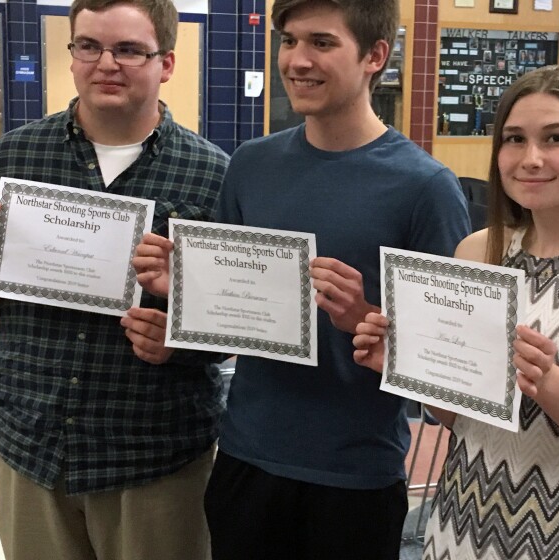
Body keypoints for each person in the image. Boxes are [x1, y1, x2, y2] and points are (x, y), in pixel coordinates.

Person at [132, 0, 470, 558]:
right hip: (246, 458)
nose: (297, 59)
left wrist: (360, 317)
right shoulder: (251, 165)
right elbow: (227, 325)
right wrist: (185, 289)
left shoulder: (426, 189)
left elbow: (447, 365)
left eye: (322, 42)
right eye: (288, 40)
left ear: (374, 56)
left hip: (354, 476)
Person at [0, 0, 229, 558]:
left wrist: (179, 342)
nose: (106, 63)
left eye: (128, 49)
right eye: (88, 46)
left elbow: (232, 327)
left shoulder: (212, 174)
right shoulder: (15, 155)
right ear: (71, 55)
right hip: (31, 442)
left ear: (165, 62)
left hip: (152, 456)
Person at [353, 66, 559, 559]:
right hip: (460, 524)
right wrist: (405, 365)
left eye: (555, 138)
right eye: (514, 139)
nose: (531, 158)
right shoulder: (478, 250)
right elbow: (463, 418)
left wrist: (550, 383)